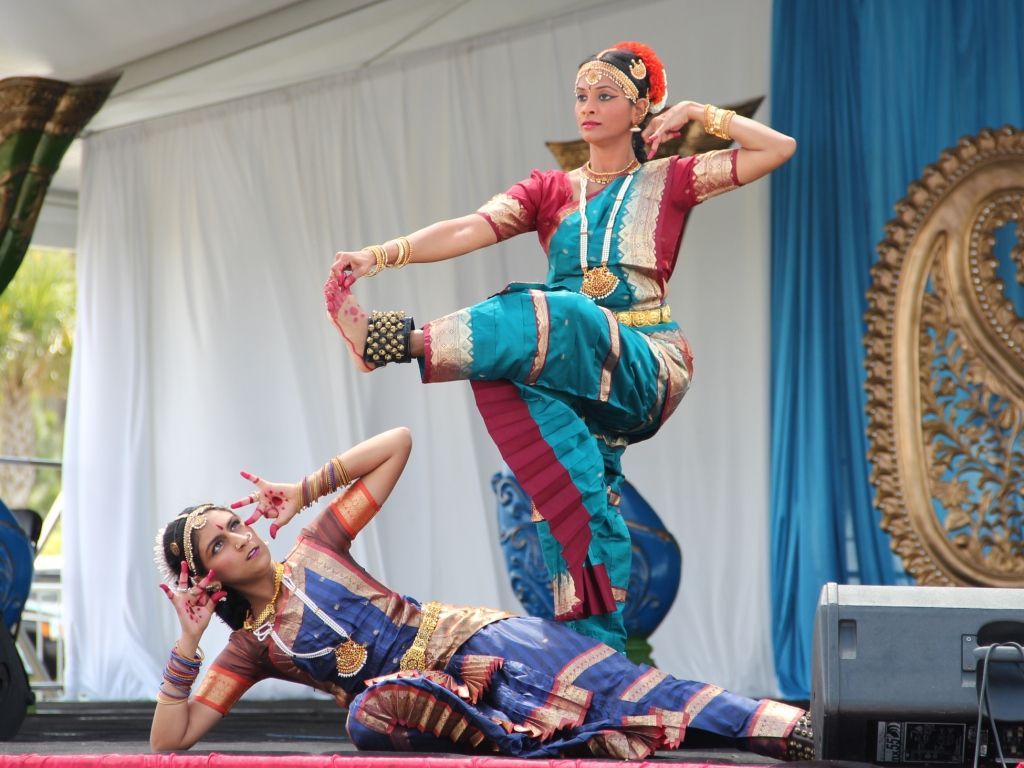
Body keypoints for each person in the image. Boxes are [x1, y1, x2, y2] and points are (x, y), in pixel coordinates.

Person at [324, 42, 796, 652]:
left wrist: (703, 114)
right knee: (574, 502)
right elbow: (470, 228)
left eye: (606, 96)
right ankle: (594, 665)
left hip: (644, 363)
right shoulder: (550, 190)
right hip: (572, 374)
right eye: (581, 96)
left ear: (641, 108)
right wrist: (379, 255)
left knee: (563, 310)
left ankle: (398, 341)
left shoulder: (671, 179)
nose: (589, 107)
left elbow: (776, 148)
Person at [151, 428, 813, 759]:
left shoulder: (317, 543)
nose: (239, 538)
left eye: (234, 524)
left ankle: (783, 728)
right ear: (206, 578)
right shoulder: (249, 648)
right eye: (217, 545)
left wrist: (305, 488)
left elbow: (397, 445)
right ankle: (521, 737)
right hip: (421, 703)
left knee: (622, 689)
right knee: (368, 715)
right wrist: (189, 640)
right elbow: (167, 741)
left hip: (473, 642)